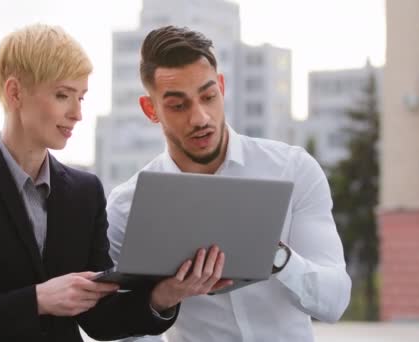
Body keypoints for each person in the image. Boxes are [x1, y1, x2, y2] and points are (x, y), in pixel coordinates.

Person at [0, 24, 230, 342]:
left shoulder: (83, 192)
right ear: (15, 92)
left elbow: (101, 320)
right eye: (63, 95)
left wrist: (166, 294)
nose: (77, 113)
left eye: (82, 97)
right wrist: (37, 300)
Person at [106, 25, 352, 341]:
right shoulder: (128, 206)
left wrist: (276, 257)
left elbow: (334, 302)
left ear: (221, 87)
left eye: (208, 96)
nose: (200, 118)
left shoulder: (292, 170)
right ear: (150, 109)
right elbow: (121, 329)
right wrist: (161, 297)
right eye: (178, 105)